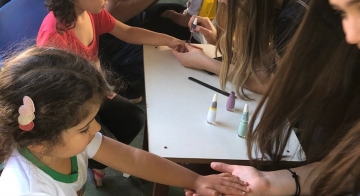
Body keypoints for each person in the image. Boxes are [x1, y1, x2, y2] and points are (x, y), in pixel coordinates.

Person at [0, 47, 250, 196]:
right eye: (86, 127)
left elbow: (133, 158)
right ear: (42, 142)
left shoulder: (58, 142)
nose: (97, 128)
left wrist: (196, 180)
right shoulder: (32, 190)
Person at [186, 0, 360, 195]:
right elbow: (350, 168)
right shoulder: (289, 10)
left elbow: (279, 83)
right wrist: (269, 183)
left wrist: (207, 63)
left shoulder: (297, 15)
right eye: (343, 13)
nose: (350, 35)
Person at [36, 0, 182, 186]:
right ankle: (90, 161)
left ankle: (95, 162)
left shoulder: (90, 12)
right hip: (72, 107)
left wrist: (170, 41)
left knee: (133, 119)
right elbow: (55, 96)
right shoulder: (54, 37)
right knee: (106, 145)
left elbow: (128, 31)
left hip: (93, 91)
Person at [173, 0, 309, 98]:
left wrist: (204, 62)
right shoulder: (284, 3)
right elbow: (276, 51)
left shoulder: (296, 16)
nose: (219, 0)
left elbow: (277, 86)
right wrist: (220, 40)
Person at [140, 0, 209, 42]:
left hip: (195, 34)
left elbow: (185, 21)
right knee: (155, 10)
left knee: (148, 26)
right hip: (191, 14)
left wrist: (170, 14)